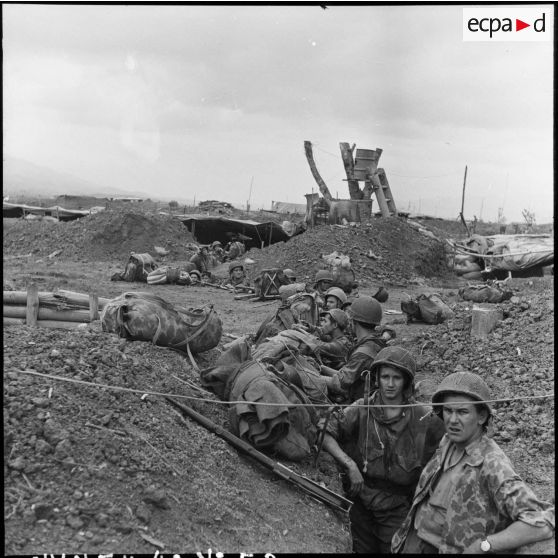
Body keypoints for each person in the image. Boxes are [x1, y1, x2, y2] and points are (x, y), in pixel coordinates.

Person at [392, 371, 555, 554]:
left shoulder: (492, 463)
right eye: (448, 410)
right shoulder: (447, 443)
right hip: (415, 540)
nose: (453, 420)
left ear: (482, 417)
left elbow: (541, 522)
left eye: (462, 412)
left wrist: (485, 545)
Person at [321, 346, 446, 553]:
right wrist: (349, 465)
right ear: (376, 378)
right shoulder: (362, 409)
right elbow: (325, 432)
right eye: (385, 376)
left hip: (397, 509)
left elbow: (450, 448)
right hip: (360, 502)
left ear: (406, 381)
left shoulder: (424, 418)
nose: (389, 384)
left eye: (396, 378)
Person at [319, 295, 387, 402]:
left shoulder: (363, 352)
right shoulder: (375, 342)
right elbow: (345, 374)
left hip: (364, 406)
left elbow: (340, 383)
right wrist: (322, 368)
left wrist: (309, 376)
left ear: (352, 322)